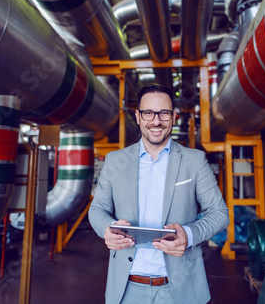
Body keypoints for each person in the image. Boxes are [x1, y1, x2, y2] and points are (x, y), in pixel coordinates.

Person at [88, 84, 229, 304]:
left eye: (163, 113)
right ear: (137, 116)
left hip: (179, 289)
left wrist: (189, 235)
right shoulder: (116, 161)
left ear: (173, 117)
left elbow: (219, 213)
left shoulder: (195, 161)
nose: (156, 121)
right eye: (148, 113)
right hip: (126, 289)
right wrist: (107, 229)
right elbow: (97, 209)